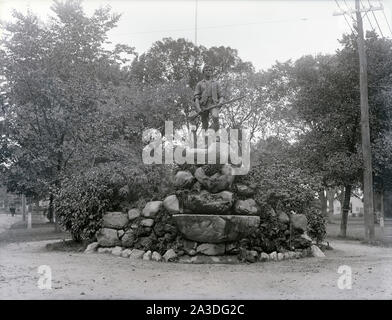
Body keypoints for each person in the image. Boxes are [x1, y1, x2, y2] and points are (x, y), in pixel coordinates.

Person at [194, 65, 224, 131]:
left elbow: (221, 96)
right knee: (204, 124)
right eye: (206, 70)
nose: (208, 71)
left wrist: (220, 102)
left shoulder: (216, 83)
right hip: (203, 106)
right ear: (203, 72)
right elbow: (196, 98)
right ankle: (205, 139)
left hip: (214, 104)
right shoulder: (199, 84)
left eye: (210, 70)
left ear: (212, 72)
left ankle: (216, 134)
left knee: (215, 116)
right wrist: (199, 109)